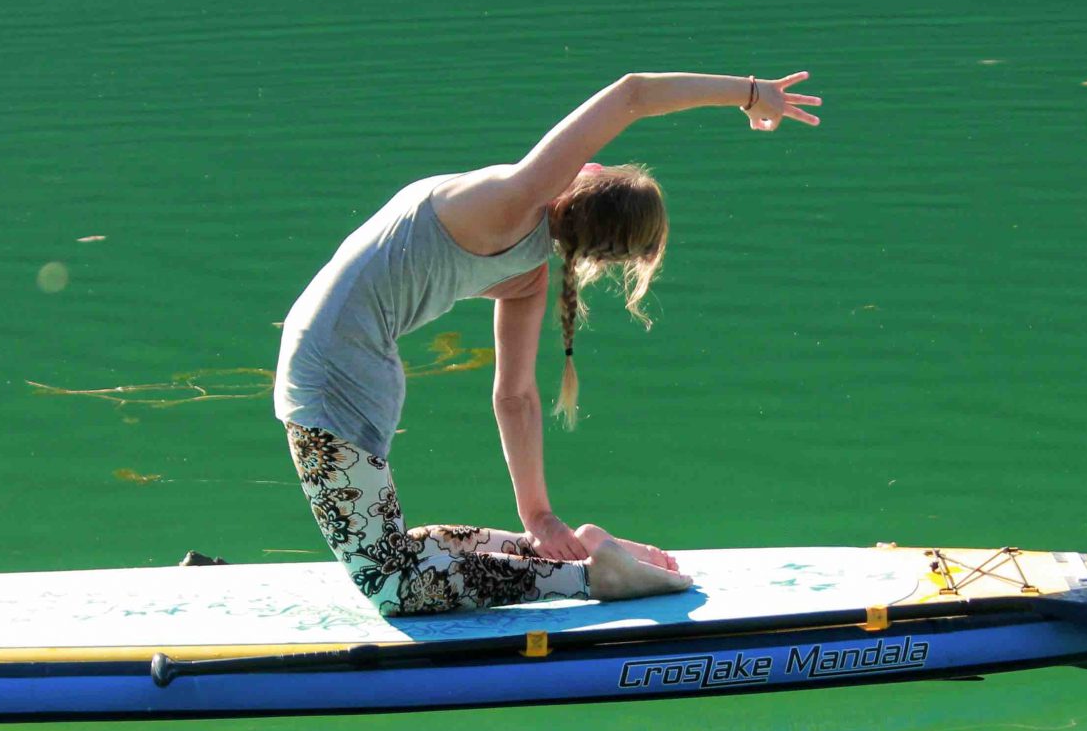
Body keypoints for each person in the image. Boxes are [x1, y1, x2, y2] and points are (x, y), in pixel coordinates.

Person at [274, 70, 823, 616]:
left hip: (326, 369)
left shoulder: (516, 201)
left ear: (586, 183)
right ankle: (577, 559)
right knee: (402, 557)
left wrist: (752, 93)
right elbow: (514, 397)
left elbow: (632, 94)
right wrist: (537, 516)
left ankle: (589, 576)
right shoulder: (526, 255)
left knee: (394, 584)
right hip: (344, 368)